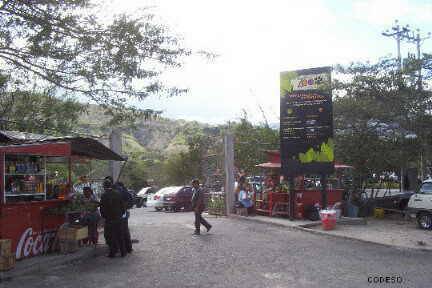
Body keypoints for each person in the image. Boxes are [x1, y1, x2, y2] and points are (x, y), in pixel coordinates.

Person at [100, 178, 126, 257]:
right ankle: (123, 252)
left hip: (109, 219)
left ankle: (112, 252)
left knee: (110, 236)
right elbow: (122, 206)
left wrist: (104, 216)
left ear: (104, 186)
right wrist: (121, 214)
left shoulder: (104, 195)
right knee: (119, 235)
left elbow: (102, 208)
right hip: (118, 217)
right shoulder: (118, 193)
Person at [114, 181, 133, 253]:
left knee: (122, 231)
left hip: (122, 213)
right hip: (125, 212)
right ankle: (128, 248)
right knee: (125, 230)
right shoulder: (126, 191)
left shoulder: (121, 192)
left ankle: (124, 248)